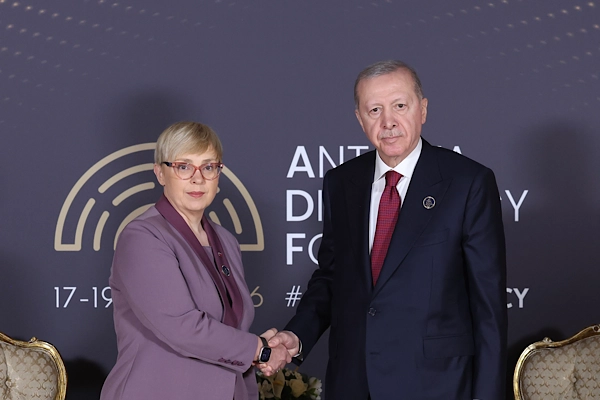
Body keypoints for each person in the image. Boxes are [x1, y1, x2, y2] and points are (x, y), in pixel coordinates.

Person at [263, 61, 507, 399]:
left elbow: (488, 308)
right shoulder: (340, 182)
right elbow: (332, 278)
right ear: (360, 119)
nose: (388, 121)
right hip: (353, 383)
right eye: (374, 110)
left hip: (437, 385)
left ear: (423, 110)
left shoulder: (468, 183)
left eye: (400, 106)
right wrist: (296, 336)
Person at [100, 121, 290, 400]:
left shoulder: (226, 241)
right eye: (184, 167)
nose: (198, 179)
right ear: (160, 173)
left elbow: (230, 327)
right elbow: (181, 327)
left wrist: (263, 348)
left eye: (208, 167)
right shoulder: (142, 236)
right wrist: (259, 349)